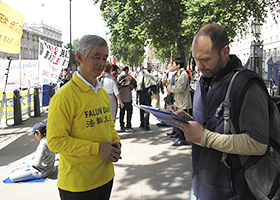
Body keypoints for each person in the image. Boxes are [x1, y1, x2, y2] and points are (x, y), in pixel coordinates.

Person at [173, 23, 269, 200]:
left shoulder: (248, 86)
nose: (199, 66)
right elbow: (212, 124)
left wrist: (205, 138)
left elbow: (258, 143)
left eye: (205, 59)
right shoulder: (204, 81)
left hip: (232, 192)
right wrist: (185, 120)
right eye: (195, 59)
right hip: (199, 186)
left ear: (225, 51)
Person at [47, 35, 122, 200]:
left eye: (104, 58)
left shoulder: (101, 92)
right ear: (80, 57)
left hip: (105, 177)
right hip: (78, 185)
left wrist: (116, 142)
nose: (102, 63)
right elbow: (55, 141)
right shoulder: (64, 96)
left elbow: (108, 125)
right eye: (96, 57)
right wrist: (97, 149)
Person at [167, 57, 192, 146]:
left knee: (182, 122)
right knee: (177, 120)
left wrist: (169, 88)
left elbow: (180, 87)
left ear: (178, 65)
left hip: (183, 103)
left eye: (173, 64)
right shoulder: (177, 74)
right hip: (178, 101)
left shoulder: (183, 74)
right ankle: (179, 137)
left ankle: (183, 139)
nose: (172, 65)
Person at [117, 66, 137, 132]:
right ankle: (128, 125)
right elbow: (133, 86)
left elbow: (117, 86)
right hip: (127, 96)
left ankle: (122, 126)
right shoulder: (129, 77)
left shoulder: (118, 77)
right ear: (126, 70)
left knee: (122, 113)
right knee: (129, 112)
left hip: (121, 97)